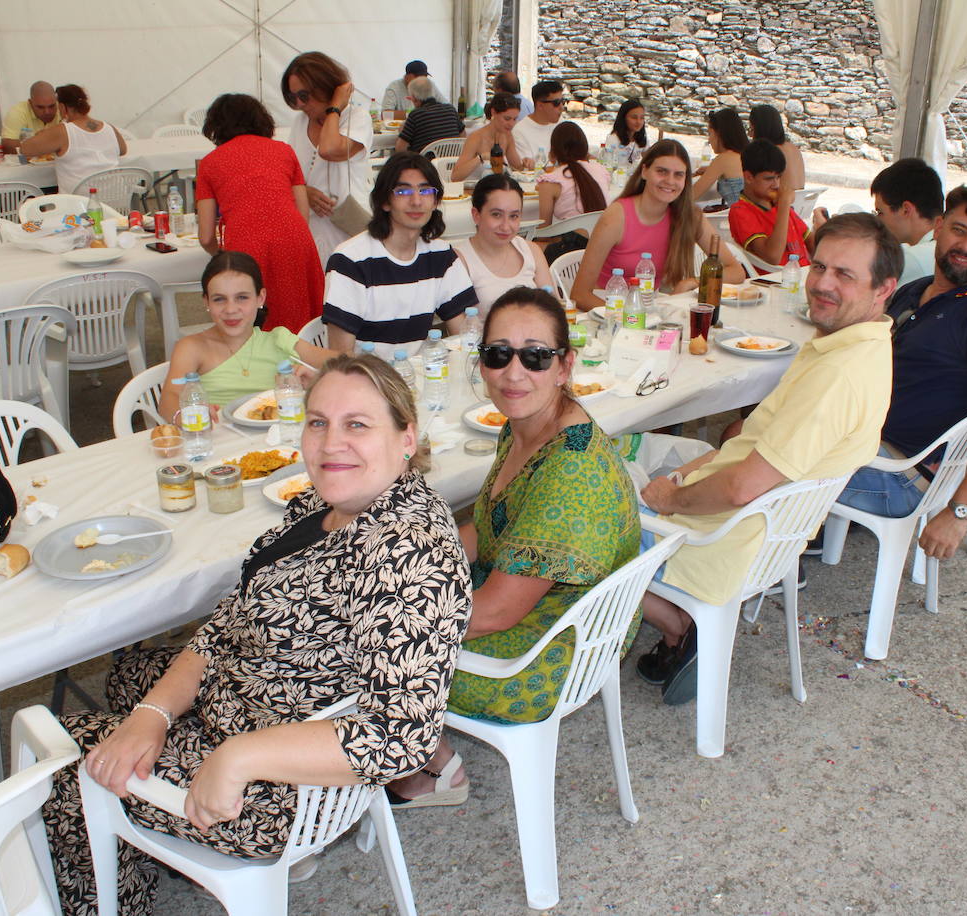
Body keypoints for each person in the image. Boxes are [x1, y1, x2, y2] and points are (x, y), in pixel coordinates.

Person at [44, 352, 473, 915]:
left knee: (56, 770)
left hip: (280, 788)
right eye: (318, 421)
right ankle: (138, 837)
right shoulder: (329, 501)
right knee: (131, 678)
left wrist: (236, 759)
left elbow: (402, 736)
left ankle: (114, 891)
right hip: (259, 689)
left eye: (357, 425)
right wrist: (151, 717)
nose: (329, 442)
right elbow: (235, 615)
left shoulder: (407, 554)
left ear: (406, 438)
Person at [385, 287, 638, 806]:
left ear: (564, 365)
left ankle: (426, 768)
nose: (513, 372)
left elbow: (497, 612)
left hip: (544, 651)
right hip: (545, 609)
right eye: (498, 354)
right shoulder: (527, 424)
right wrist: (413, 560)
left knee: (354, 640)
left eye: (535, 356)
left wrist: (388, 613)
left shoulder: (570, 468)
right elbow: (487, 526)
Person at [633, 213, 901, 702]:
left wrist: (671, 499)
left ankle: (678, 627)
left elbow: (739, 487)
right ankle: (687, 620)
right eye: (819, 266)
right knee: (661, 455)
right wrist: (705, 462)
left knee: (576, 516)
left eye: (845, 274)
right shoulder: (860, 348)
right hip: (769, 531)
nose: (822, 284)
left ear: (884, 289)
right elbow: (754, 449)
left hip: (723, 541)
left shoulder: (839, 375)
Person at [836, 185, 967, 560]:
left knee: (762, 467)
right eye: (959, 230)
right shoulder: (916, 291)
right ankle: (795, 539)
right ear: (939, 227)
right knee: (750, 431)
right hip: (858, 439)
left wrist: (959, 513)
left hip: (901, 472)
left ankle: (772, 563)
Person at [194, 92, 324, 334]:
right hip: (294, 238)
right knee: (300, 321)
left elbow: (205, 237)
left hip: (246, 245)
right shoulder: (283, 151)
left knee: (254, 323)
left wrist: (222, 257)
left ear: (215, 126)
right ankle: (305, 365)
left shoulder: (210, 164)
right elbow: (302, 213)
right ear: (261, 120)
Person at [323, 152, 476, 356]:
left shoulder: (441, 256)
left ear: (436, 201)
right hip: (365, 378)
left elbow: (465, 336)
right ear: (385, 202)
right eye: (403, 192)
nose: (416, 201)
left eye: (425, 191)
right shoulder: (350, 260)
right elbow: (340, 355)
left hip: (417, 377)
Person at [572, 139, 746, 313]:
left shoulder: (689, 216)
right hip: (606, 310)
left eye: (678, 174)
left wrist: (693, 282)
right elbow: (579, 295)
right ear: (644, 171)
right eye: (662, 172)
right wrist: (630, 317)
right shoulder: (617, 216)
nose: (670, 181)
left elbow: (736, 271)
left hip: (650, 311)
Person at [155, 252, 333, 420]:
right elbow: (169, 399)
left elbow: (345, 364)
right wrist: (186, 415)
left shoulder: (279, 340)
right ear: (206, 301)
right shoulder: (192, 347)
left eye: (242, 297)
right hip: (220, 443)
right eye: (219, 299)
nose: (231, 309)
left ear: (260, 298)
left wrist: (317, 381)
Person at [281, 52, 373, 264]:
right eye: (292, 98)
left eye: (304, 95)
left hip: (348, 226)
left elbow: (330, 150)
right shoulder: (299, 122)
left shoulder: (356, 117)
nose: (299, 104)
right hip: (311, 229)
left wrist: (335, 108)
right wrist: (303, 192)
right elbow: (287, 173)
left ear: (324, 87)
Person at [453, 173, 553, 313]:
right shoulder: (460, 261)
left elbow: (553, 308)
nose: (506, 226)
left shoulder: (531, 251)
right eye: (496, 214)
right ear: (476, 215)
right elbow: (460, 328)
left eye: (514, 216)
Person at [729, 139, 821, 273]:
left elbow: (811, 243)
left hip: (802, 274)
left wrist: (822, 228)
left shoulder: (776, 203)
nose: (776, 184)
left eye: (778, 177)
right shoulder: (740, 211)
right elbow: (773, 257)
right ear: (748, 177)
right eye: (769, 179)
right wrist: (784, 205)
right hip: (775, 279)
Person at [19, 84, 126, 195]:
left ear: (61, 107)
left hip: (78, 206)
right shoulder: (108, 127)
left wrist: (44, 135)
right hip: (117, 201)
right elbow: (123, 150)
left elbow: (25, 149)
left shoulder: (63, 131)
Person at [534, 120, 610, 262]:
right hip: (603, 243)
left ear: (553, 150)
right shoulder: (601, 170)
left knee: (527, 246)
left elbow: (543, 232)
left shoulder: (551, 181)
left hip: (572, 250)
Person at [870, 156, 944, 286]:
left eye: (880, 212)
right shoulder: (944, 247)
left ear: (906, 210)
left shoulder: (914, 258)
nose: (878, 221)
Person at [449, 93, 524, 182]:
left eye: (515, 119)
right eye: (507, 119)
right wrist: (481, 157)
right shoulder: (476, 138)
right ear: (493, 113)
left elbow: (517, 168)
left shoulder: (507, 136)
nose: (511, 124)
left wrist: (526, 163)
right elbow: (455, 176)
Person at [690, 108, 749, 206]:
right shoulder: (746, 155)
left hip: (743, 218)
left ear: (719, 134)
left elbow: (692, 195)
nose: (709, 140)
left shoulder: (723, 159)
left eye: (710, 133)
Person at [394, 76, 463, 154]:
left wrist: (402, 131)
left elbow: (400, 148)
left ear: (414, 98)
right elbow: (463, 136)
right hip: (451, 162)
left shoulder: (416, 115)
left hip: (425, 164)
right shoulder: (451, 110)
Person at [748, 103, 805, 192]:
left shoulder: (769, 152)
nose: (750, 134)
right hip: (801, 203)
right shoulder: (793, 148)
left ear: (760, 129)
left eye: (751, 129)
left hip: (780, 203)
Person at [511, 79, 565, 165]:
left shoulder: (561, 123)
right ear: (540, 105)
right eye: (556, 103)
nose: (561, 107)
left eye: (563, 102)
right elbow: (526, 170)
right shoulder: (520, 131)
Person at [0, 80, 61, 154]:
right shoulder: (18, 111)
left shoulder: (63, 108)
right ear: (30, 103)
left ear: (56, 100)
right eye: (40, 107)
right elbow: (7, 145)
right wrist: (42, 143)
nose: (47, 112)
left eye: (51, 106)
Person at [604, 98, 661, 165]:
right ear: (623, 118)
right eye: (634, 117)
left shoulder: (641, 140)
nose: (638, 122)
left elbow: (649, 161)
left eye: (642, 118)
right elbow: (608, 164)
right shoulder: (613, 139)